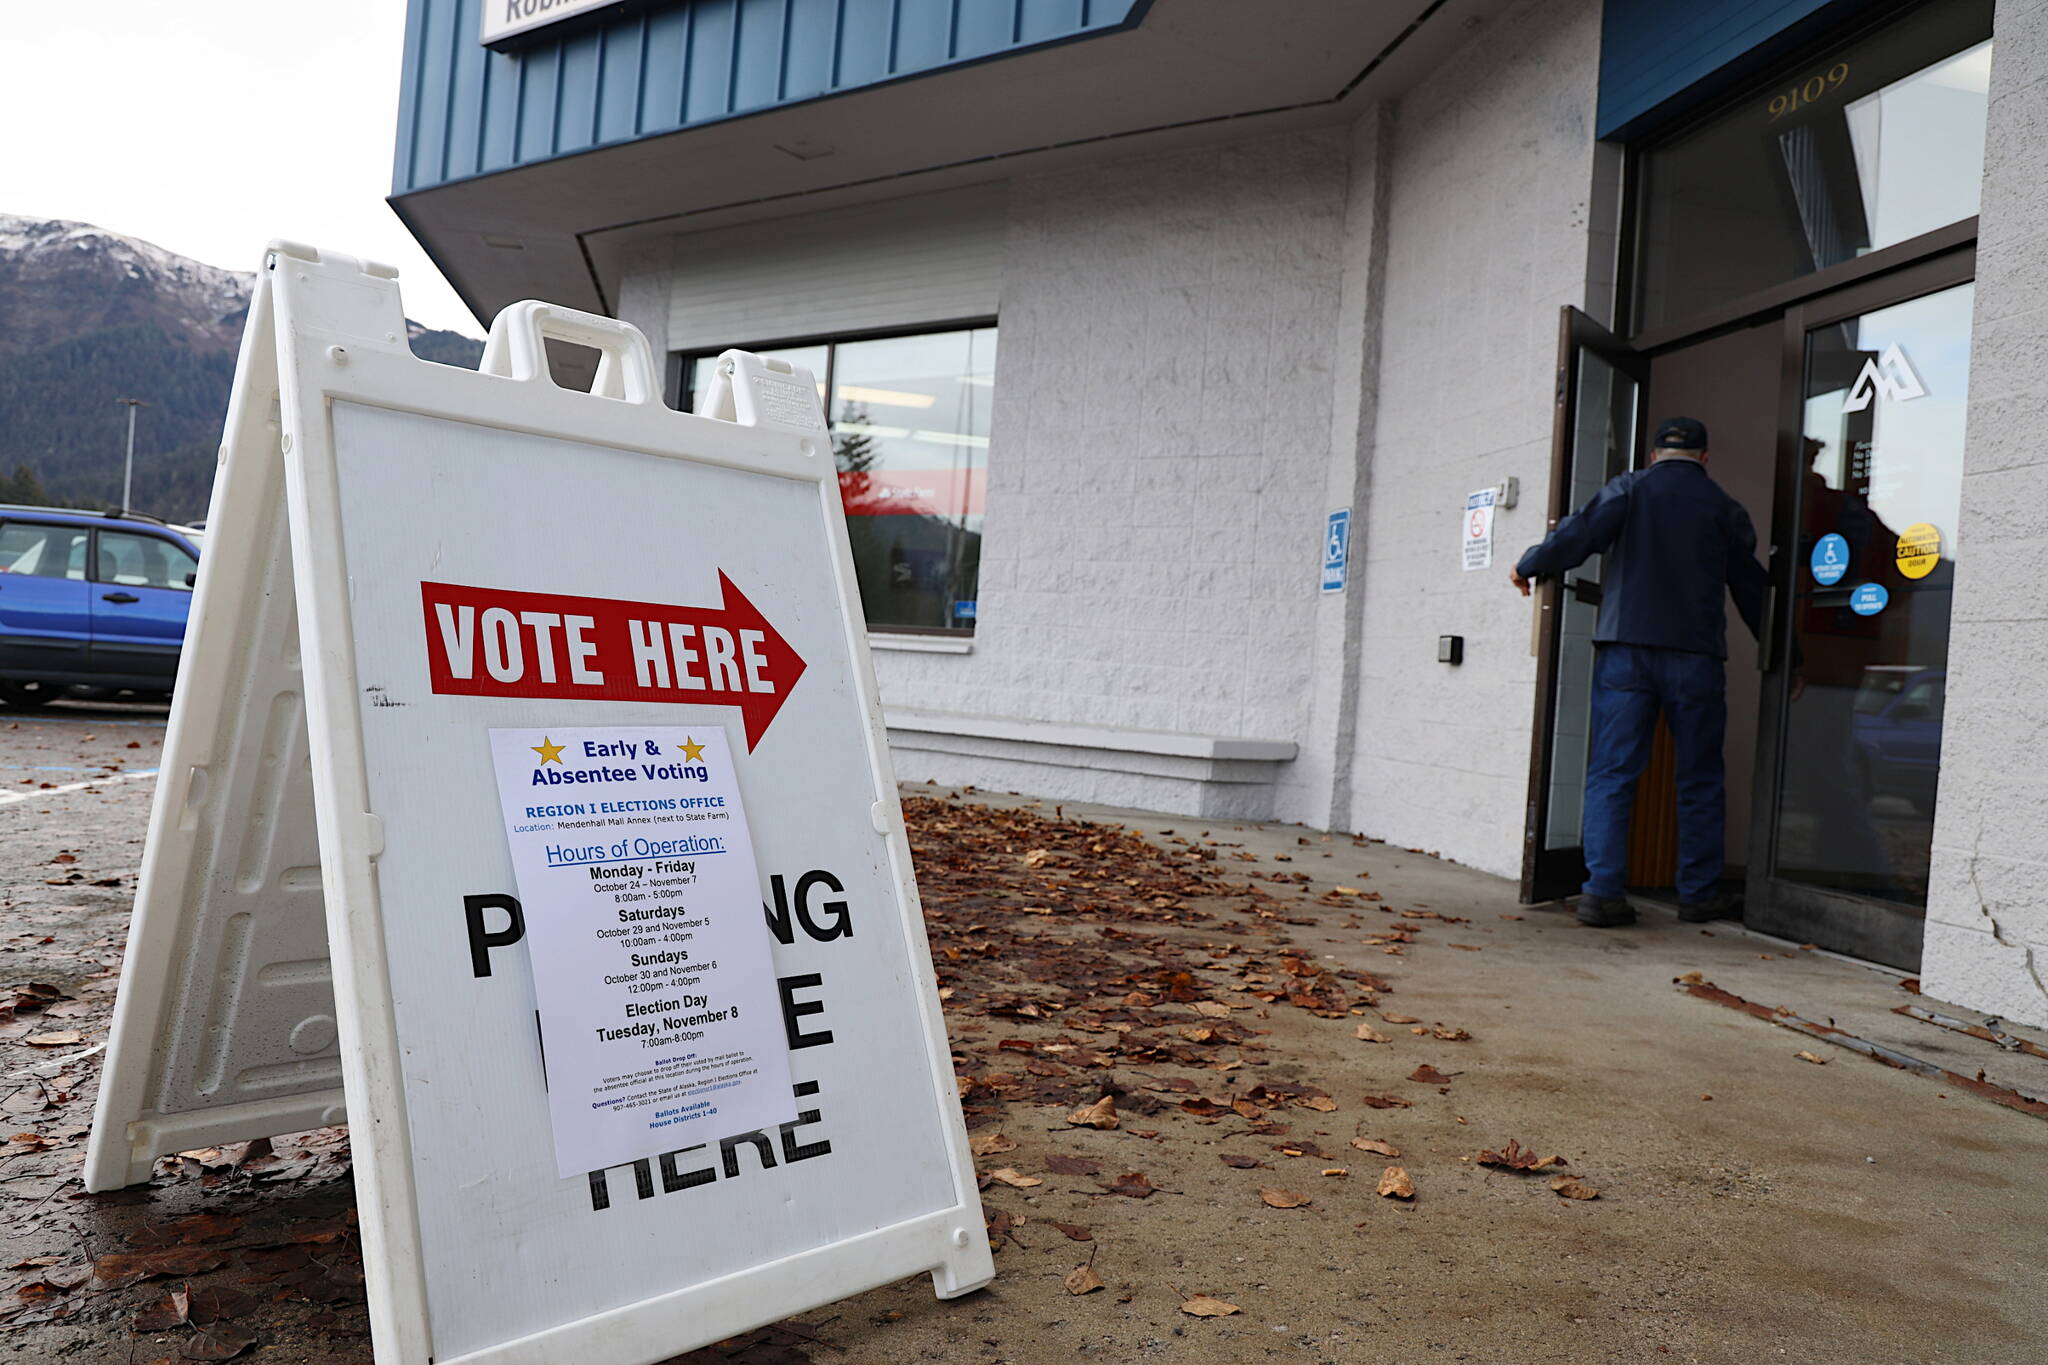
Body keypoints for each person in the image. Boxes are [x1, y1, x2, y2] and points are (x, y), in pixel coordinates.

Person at [1511, 417, 1769, 928]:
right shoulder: (1722, 506)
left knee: (1612, 772)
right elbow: (1751, 588)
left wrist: (1531, 564)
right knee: (1699, 775)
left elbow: (1578, 535)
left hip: (1626, 650)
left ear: (1653, 455)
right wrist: (1789, 656)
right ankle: (1696, 894)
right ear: (1705, 457)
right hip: (1695, 656)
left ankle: (1601, 893)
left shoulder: (1628, 489)